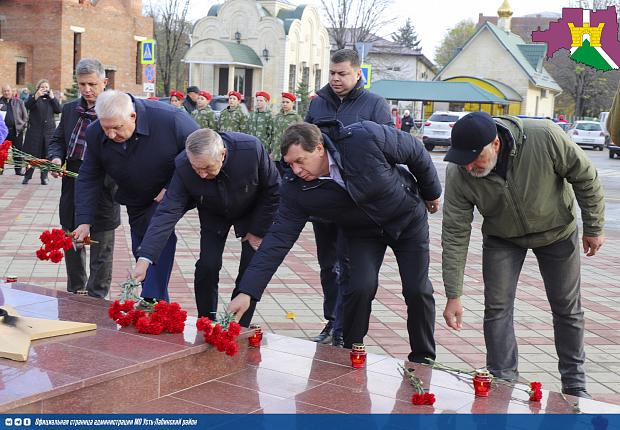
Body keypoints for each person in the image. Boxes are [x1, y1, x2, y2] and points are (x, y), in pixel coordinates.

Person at [228, 121, 441, 362]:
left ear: (319, 148)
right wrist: (248, 291)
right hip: (362, 232)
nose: (296, 170)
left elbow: (415, 150)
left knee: (417, 289)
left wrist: (431, 191)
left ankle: (423, 358)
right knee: (359, 287)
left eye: (300, 161)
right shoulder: (296, 189)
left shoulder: (363, 139)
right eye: (290, 164)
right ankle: (352, 352)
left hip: (407, 220)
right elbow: (278, 240)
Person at [441, 111, 605, 399]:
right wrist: (453, 294)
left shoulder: (544, 136)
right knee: (497, 307)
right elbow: (455, 231)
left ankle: (575, 384)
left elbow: (585, 176)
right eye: (462, 159)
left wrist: (593, 226)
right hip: (502, 238)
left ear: (494, 143)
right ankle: (503, 381)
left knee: (567, 308)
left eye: (474, 158)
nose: (468, 167)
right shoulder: (459, 171)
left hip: (556, 232)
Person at [131, 128, 280, 326]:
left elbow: (274, 190)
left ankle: (238, 325)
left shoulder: (250, 150)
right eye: (196, 168)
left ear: (223, 154)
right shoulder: (184, 166)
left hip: (253, 210)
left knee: (250, 266)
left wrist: (257, 231)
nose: (201, 174)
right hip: (213, 210)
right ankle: (206, 321)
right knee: (207, 265)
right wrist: (145, 258)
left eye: (207, 168)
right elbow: (167, 212)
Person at [73, 90, 199, 302]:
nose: (111, 135)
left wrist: (172, 186)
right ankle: (152, 296)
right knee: (140, 245)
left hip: (171, 191)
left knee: (157, 233)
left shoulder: (171, 120)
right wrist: (84, 220)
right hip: (136, 195)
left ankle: (154, 300)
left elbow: (200, 149)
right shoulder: (96, 132)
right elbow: (89, 176)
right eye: (106, 129)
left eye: (116, 128)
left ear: (132, 116)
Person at [305, 48, 393, 346]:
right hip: (322, 198)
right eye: (331, 73)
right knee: (328, 264)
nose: (335, 79)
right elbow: (305, 144)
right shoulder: (318, 104)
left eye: (342, 73)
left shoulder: (375, 105)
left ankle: (345, 326)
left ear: (358, 73)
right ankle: (332, 320)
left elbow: (390, 148)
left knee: (348, 266)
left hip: (357, 202)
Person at [48, 58, 120, 298]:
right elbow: (58, 140)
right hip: (72, 182)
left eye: (92, 84)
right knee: (72, 240)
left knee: (101, 246)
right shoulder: (70, 110)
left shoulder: (114, 110)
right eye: (82, 85)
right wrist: (56, 159)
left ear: (104, 82)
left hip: (104, 184)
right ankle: (76, 291)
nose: (87, 90)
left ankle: (97, 299)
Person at [22, 79, 61, 185]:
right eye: (42, 87)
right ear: (38, 88)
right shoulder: (33, 97)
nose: (44, 89)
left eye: (46, 87)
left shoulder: (51, 99)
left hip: (48, 133)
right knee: (32, 155)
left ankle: (44, 177)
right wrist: (36, 96)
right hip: (35, 132)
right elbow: (27, 105)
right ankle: (27, 176)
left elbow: (58, 110)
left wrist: (53, 98)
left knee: (46, 155)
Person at [0, 84, 28, 175]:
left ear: (11, 91)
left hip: (16, 131)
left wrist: (22, 127)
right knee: (2, 152)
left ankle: (18, 170)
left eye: (8, 90)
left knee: (18, 152)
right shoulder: (0, 102)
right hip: (3, 132)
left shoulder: (19, 102)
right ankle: (1, 169)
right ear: (2, 92)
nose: (6, 92)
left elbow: (25, 116)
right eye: (4, 91)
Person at [271, 92, 303, 162]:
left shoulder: (296, 117)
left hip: (289, 153)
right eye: (283, 102)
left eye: (287, 102)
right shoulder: (277, 117)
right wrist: (272, 151)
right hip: (276, 154)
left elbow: (300, 136)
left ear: (293, 103)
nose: (285, 104)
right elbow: (273, 135)